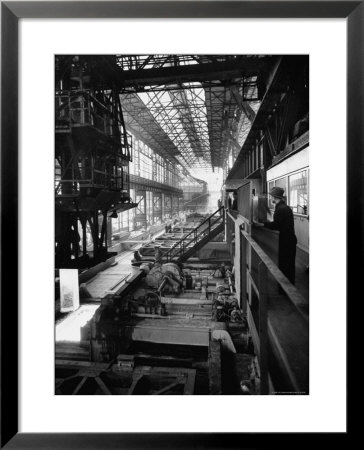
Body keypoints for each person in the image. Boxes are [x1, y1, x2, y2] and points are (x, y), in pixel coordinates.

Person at [263, 187, 297, 285]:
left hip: (286, 241)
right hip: (289, 240)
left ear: (274, 197)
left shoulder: (280, 209)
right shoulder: (284, 207)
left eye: (271, 197)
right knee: (289, 266)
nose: (270, 198)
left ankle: (286, 290)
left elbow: (276, 225)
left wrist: (263, 224)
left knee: (285, 266)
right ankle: (289, 286)